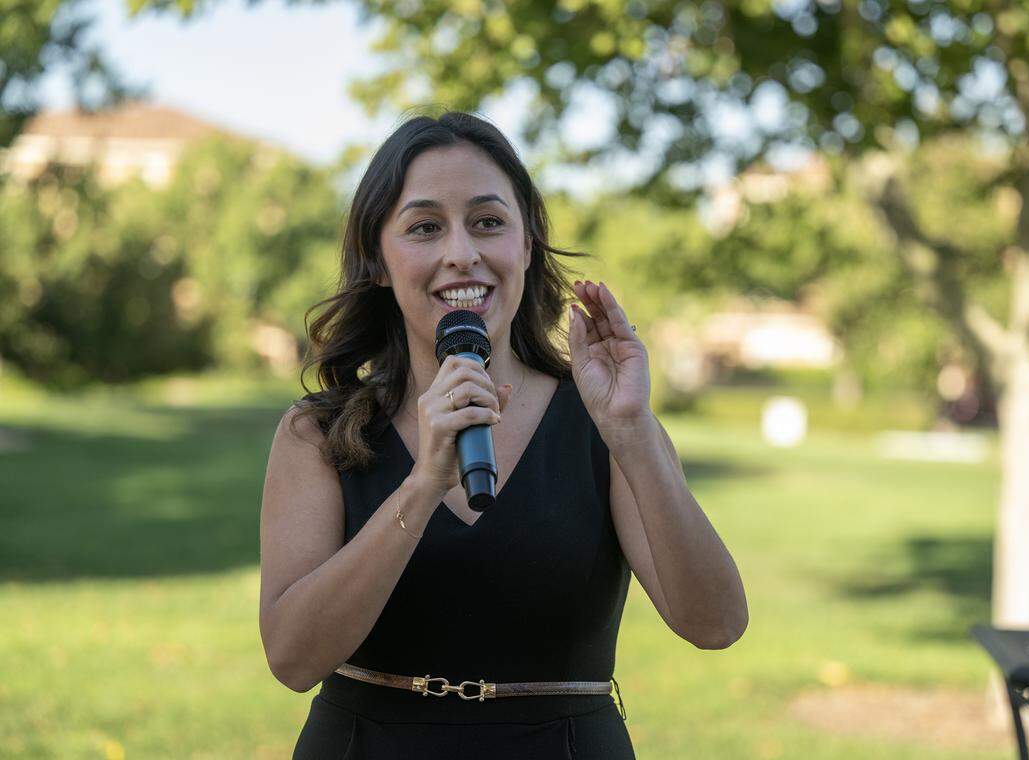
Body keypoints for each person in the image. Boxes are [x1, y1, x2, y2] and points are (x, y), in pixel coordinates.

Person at [258, 110, 748, 759]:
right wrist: (422, 485)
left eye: (488, 222)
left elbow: (714, 624)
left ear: (527, 243)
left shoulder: (606, 423)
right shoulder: (317, 433)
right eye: (426, 226)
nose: (461, 252)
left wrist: (631, 433)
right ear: (378, 257)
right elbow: (293, 660)